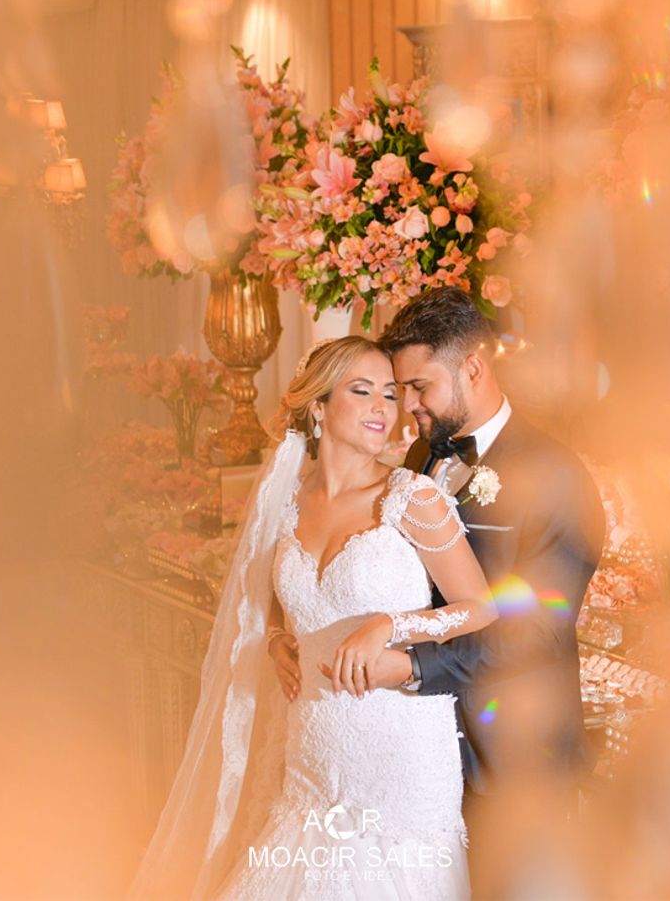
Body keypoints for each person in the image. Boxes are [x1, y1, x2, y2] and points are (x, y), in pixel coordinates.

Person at [129, 335, 496, 900]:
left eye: (390, 394)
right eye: (362, 391)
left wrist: (391, 626)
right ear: (319, 408)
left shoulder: (411, 498)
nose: (383, 407)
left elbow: (478, 606)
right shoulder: (285, 502)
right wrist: (277, 636)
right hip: (313, 751)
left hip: (400, 754)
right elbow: (280, 596)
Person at [291, 288, 607, 891]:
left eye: (418, 387)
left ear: (474, 369)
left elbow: (537, 629)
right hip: (418, 757)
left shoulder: (557, 477)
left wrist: (412, 666)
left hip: (512, 762)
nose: (406, 406)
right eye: (399, 389)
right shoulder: (422, 454)